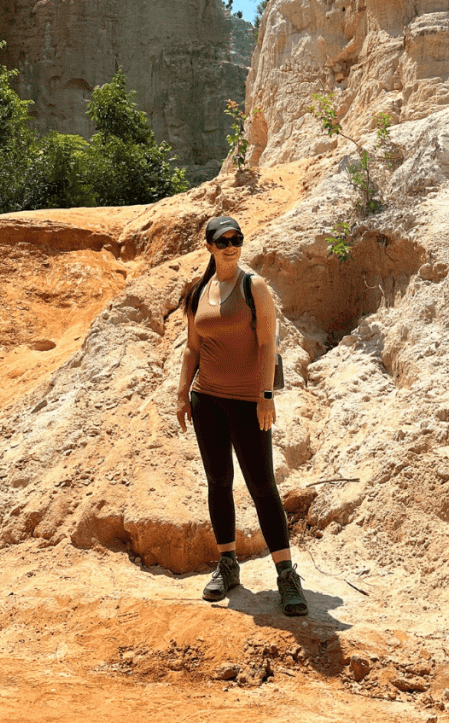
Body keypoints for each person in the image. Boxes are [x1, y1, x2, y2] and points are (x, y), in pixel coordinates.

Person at [176, 215, 308, 616]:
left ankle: (286, 576)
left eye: (236, 239)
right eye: (223, 240)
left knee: (262, 486)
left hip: (248, 400)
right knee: (218, 482)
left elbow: (268, 344)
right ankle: (227, 565)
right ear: (210, 246)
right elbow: (191, 349)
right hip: (207, 400)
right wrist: (183, 394)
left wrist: (266, 395)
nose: (231, 246)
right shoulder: (199, 292)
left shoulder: (256, 288)